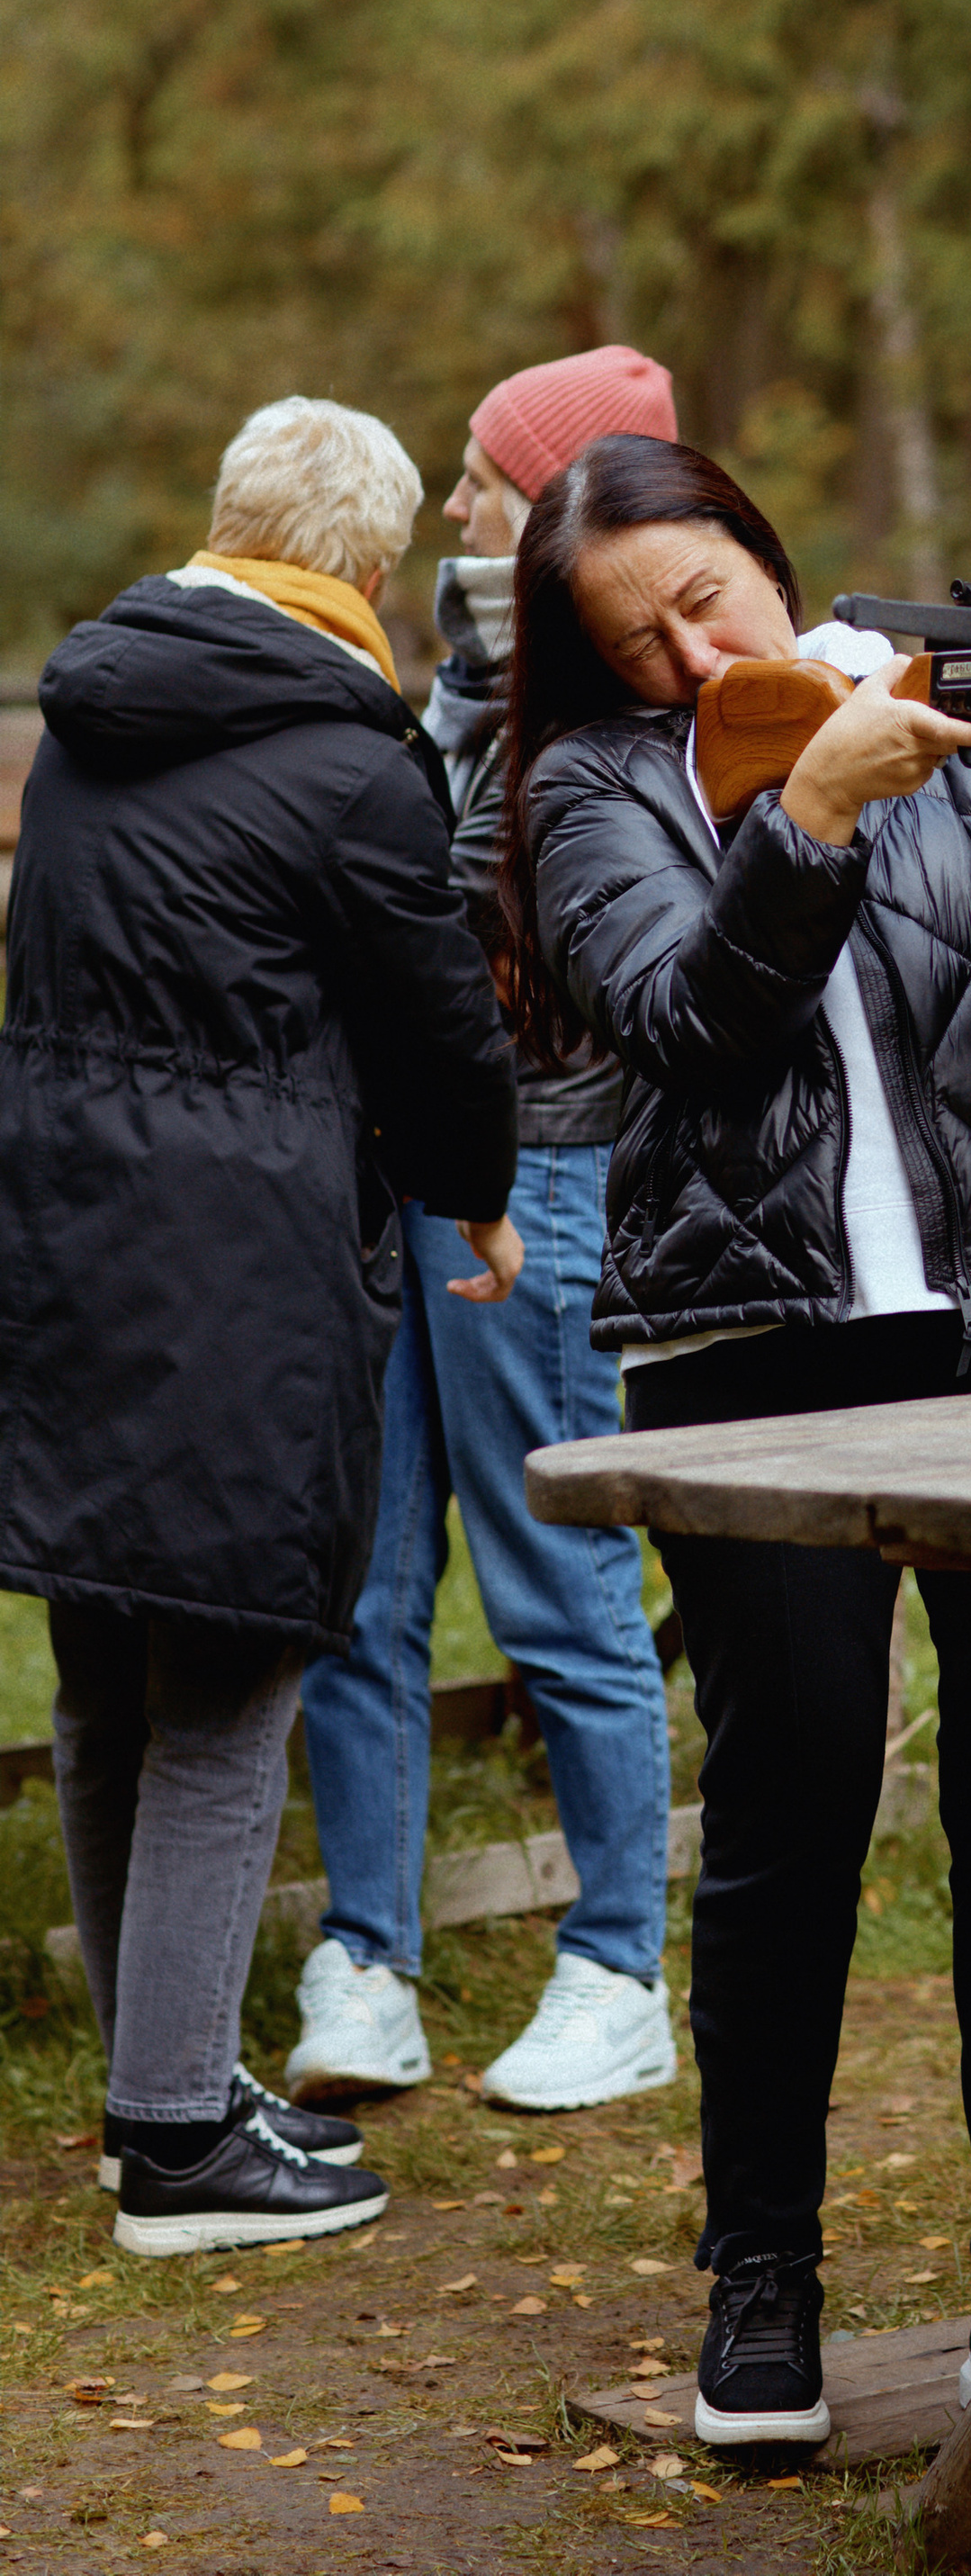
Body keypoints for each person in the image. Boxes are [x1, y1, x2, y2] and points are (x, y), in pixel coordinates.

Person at [499, 434, 971, 2458]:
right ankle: (762, 2279)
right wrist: (797, 817)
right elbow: (684, 1018)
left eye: (711, 596)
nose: (693, 652)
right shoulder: (586, 789)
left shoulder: (933, 697)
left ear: (773, 558)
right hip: (753, 1345)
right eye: (641, 638)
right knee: (790, 1802)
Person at [0, 399, 519, 2255]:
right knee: (230, 1673)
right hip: (239, 1253)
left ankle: (177, 2078)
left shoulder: (87, 720)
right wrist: (477, 1182)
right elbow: (436, 1018)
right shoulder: (350, 763)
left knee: (102, 1672)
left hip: (58, 1233)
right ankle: (176, 2147)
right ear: (364, 572)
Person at [291, 347, 683, 2115]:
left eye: (480, 479)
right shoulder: (467, 668)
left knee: (556, 1582)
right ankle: (366, 1961)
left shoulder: (632, 687)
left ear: (561, 494)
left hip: (542, 1179)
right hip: (389, 1173)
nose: (452, 505)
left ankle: (616, 1966)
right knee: (361, 1580)